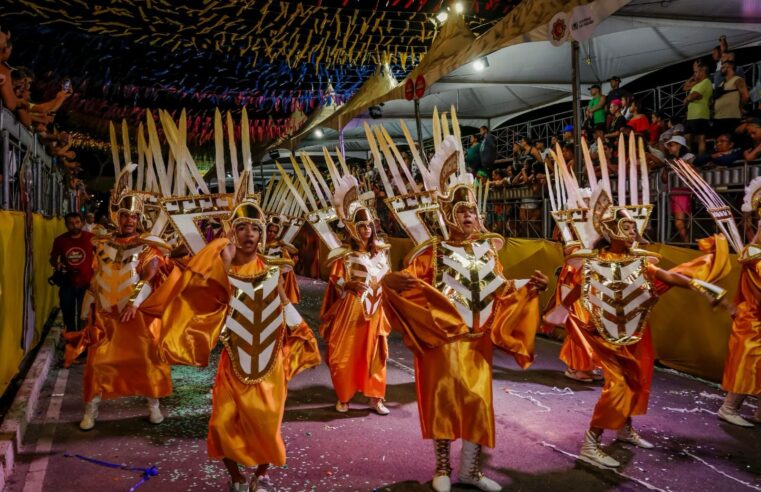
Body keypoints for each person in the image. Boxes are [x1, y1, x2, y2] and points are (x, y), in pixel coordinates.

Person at [544, 144, 730, 469]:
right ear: (612, 230)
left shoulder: (642, 262)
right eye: (627, 226)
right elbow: (575, 288)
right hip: (606, 335)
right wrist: (560, 311)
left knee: (637, 383)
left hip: (635, 331)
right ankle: (591, 442)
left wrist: (707, 287)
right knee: (616, 386)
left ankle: (626, 429)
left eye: (633, 226)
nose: (634, 230)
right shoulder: (592, 261)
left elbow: (671, 278)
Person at [381, 131, 549, 492]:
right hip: (442, 343)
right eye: (461, 210)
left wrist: (529, 287)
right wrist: (398, 286)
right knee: (443, 400)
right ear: (448, 214)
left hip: (478, 343)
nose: (470, 215)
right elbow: (406, 287)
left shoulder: (489, 252)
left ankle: (470, 470)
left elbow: (500, 291)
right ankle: (442, 468)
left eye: (473, 210)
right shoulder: (431, 252)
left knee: (476, 402)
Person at [156, 175, 321, 491]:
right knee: (221, 423)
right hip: (233, 364)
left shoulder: (273, 269)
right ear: (232, 231)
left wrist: (303, 335)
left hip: (270, 363)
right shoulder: (222, 267)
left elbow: (285, 305)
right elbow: (198, 291)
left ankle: (260, 474)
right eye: (243, 227)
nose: (250, 233)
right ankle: (235, 477)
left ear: (261, 234)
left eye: (255, 228)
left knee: (267, 424)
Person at [77, 168, 173, 431]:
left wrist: (133, 302)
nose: (129, 220)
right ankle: (91, 409)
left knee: (146, 360)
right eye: (125, 215)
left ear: (139, 218)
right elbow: (96, 278)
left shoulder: (147, 246)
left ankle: (153, 406)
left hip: (136, 318)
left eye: (133, 216)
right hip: (106, 317)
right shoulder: (102, 243)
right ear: (116, 217)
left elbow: (150, 275)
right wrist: (88, 311)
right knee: (98, 364)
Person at [319, 177, 391, 415]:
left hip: (376, 311)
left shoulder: (381, 253)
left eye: (369, 226)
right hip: (351, 310)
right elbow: (335, 280)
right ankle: (344, 396)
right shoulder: (345, 254)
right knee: (343, 354)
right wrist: (347, 284)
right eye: (361, 226)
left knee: (375, 354)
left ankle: (376, 397)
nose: (366, 230)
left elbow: (387, 280)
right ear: (353, 228)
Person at [718, 177, 761, 427]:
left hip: (753, 318)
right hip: (752, 321)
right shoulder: (755, 260)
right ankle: (729, 406)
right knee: (749, 364)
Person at [50, 212, 95, 333]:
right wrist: (57, 264)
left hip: (87, 284)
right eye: (71, 223)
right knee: (67, 314)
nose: (74, 226)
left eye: (77, 222)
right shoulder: (60, 240)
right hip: (67, 284)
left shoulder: (92, 238)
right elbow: (53, 259)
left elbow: (102, 257)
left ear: (82, 223)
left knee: (84, 317)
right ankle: (71, 342)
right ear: (66, 225)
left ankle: (83, 344)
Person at [264, 216, 301, 304]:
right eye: (270, 231)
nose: (271, 233)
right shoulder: (259, 240)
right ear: (266, 230)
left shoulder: (278, 243)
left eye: (274, 232)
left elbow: (295, 251)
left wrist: (284, 243)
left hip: (274, 271)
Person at [714, 59, 749, 138]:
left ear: (729, 67)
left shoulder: (737, 80)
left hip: (731, 117)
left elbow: (746, 95)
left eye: (723, 67)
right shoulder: (722, 83)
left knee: (732, 140)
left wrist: (740, 106)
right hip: (718, 118)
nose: (721, 69)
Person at [685, 62, 712, 156]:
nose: (695, 73)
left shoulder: (706, 82)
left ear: (702, 72)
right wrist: (692, 77)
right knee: (687, 138)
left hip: (700, 114)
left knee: (701, 138)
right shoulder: (697, 83)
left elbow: (694, 96)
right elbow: (685, 87)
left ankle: (701, 160)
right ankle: (689, 159)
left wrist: (687, 98)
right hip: (691, 116)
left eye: (697, 72)